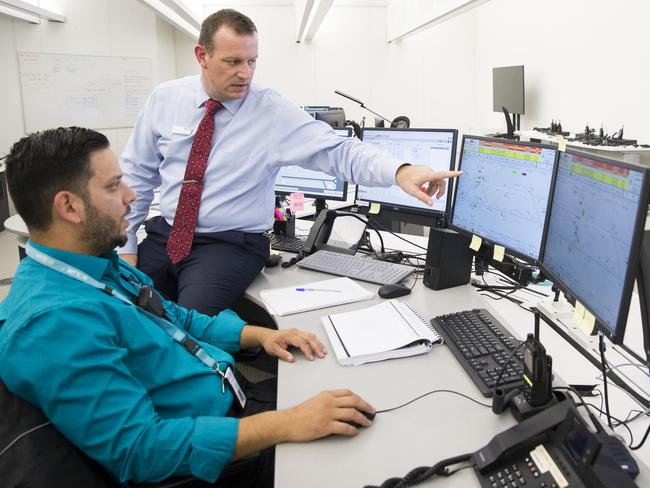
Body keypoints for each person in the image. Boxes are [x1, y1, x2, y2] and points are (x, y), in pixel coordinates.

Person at [0, 127, 375, 487]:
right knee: (364, 458)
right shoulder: (55, 322)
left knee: (347, 393)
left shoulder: (96, 264)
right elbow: (142, 450)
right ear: (69, 206)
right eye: (114, 185)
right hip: (207, 459)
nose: (131, 195)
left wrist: (262, 334)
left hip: (228, 398)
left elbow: (175, 318)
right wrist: (288, 423)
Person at [119, 8, 461, 316]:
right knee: (123, 307)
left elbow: (336, 150)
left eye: (252, 61)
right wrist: (127, 246)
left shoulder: (271, 111)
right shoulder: (166, 99)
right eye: (233, 61)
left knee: (189, 324)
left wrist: (399, 171)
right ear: (202, 56)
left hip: (229, 244)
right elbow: (137, 176)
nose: (245, 73)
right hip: (166, 235)